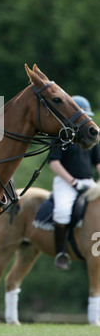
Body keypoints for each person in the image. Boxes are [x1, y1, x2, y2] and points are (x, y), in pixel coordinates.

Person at [49, 95, 100, 270]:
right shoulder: (60, 135)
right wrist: (72, 182)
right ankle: (61, 253)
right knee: (62, 212)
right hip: (66, 183)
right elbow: (54, 163)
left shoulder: (91, 136)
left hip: (88, 182)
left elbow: (98, 162)